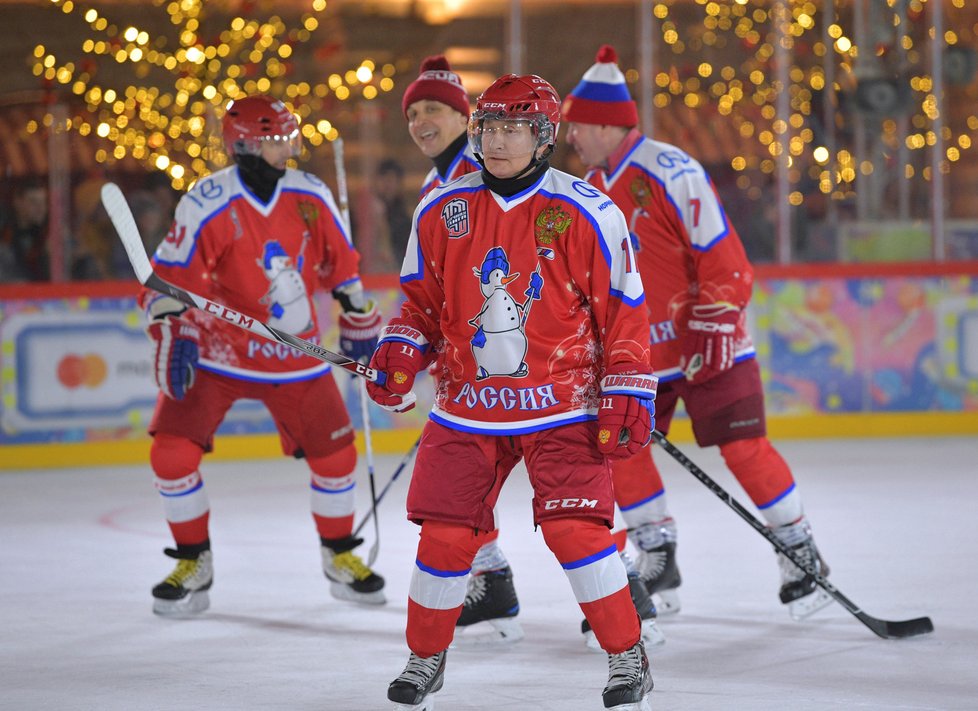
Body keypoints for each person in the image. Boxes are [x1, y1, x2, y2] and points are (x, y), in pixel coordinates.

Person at [368, 73, 655, 711]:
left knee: (577, 534)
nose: (497, 142)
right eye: (488, 128)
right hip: (466, 407)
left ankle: (625, 654)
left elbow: (624, 314)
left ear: (544, 136)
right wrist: (400, 349)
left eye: (513, 129)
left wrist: (629, 387)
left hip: (562, 405)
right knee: (444, 536)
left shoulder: (587, 210)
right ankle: (425, 658)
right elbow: (420, 302)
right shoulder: (442, 209)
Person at [562, 45, 833, 621]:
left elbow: (722, 254)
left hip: (709, 340)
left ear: (605, 124)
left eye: (576, 125)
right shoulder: (587, 187)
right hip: (638, 355)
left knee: (743, 447)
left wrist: (717, 316)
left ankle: (798, 545)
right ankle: (659, 555)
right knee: (622, 447)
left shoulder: (671, 170)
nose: (571, 137)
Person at [138, 95, 386, 617]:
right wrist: (168, 324)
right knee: (171, 453)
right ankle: (192, 562)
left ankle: (340, 555)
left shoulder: (309, 195)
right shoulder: (207, 200)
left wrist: (357, 313)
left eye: (288, 139)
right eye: (275, 141)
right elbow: (166, 280)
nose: (286, 149)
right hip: (219, 351)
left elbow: (342, 264)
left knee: (337, 458)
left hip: (294, 353)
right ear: (244, 145)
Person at [0, 176, 49, 282]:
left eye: (43, 202)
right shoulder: (4, 234)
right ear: (17, 202)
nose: (41, 208)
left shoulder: (49, 232)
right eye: (33, 202)